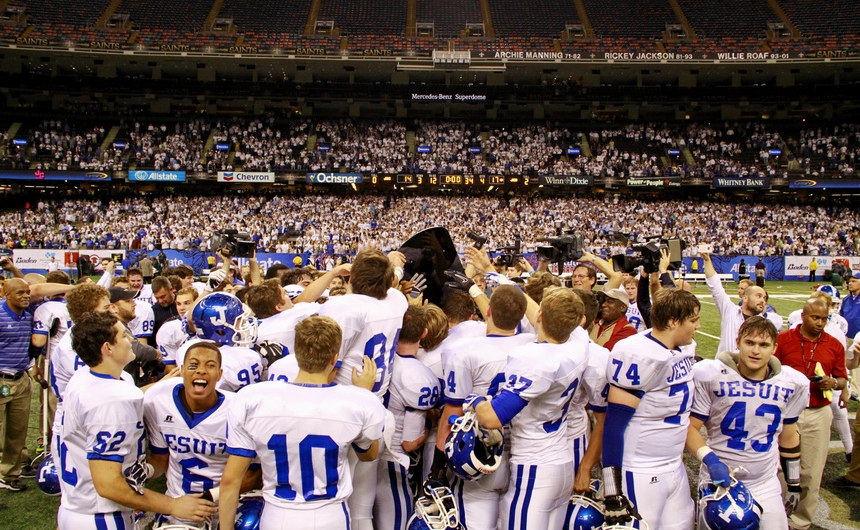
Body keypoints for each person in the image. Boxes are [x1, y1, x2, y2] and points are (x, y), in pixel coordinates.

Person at [218, 315, 385, 530]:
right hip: (330, 516)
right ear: (334, 358)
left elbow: (231, 481)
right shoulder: (359, 402)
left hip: (278, 516)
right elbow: (369, 455)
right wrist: (363, 393)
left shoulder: (253, 399)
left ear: (297, 354)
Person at [57, 311, 216, 529]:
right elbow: (109, 485)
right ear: (108, 348)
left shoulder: (88, 376)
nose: (130, 339)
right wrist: (172, 506)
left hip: (75, 505)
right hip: (100, 515)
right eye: (123, 336)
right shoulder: (111, 402)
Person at [471, 287, 589, 530]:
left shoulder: (535, 358)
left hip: (534, 467)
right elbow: (551, 316)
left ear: (540, 317)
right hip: (562, 463)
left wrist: (474, 402)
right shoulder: (579, 341)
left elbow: (492, 418)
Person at [688, 317, 809, 529]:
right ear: (738, 342)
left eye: (763, 345)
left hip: (765, 482)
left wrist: (794, 481)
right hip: (719, 481)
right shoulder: (712, 375)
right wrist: (712, 462)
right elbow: (689, 428)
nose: (756, 351)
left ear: (774, 348)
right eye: (750, 343)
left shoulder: (792, 383)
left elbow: (788, 435)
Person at [318, 248, 408, 530]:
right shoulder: (397, 300)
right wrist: (393, 264)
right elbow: (393, 282)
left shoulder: (342, 308)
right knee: (361, 508)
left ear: (352, 278)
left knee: (333, 503)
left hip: (343, 411)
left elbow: (324, 367)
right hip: (377, 411)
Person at [601, 288, 701, 529]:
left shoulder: (684, 348)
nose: (697, 327)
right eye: (693, 320)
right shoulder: (637, 354)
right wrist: (613, 490)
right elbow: (613, 426)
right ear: (672, 321)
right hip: (641, 470)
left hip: (674, 466)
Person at [439, 285, 534, 530]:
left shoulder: (464, 350)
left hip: (479, 453)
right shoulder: (532, 344)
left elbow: (453, 409)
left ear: (488, 312)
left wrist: (437, 468)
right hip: (523, 450)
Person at [143, 341, 260, 527]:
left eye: (210, 365)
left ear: (220, 374)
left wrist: (209, 497)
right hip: (179, 508)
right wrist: (145, 471)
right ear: (182, 370)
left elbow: (255, 475)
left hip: (225, 506)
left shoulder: (237, 409)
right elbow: (160, 460)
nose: (201, 371)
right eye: (193, 364)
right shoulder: (158, 400)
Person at [775, 297, 849, 530]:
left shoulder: (834, 344)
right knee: (778, 469)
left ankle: (800, 522)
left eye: (824, 319)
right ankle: (776, 516)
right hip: (785, 413)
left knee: (811, 472)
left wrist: (833, 383)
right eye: (815, 318)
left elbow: (842, 378)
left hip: (818, 412)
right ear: (803, 316)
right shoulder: (783, 340)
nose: (819, 323)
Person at [375, 306, 441, 530]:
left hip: (365, 454)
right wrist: (431, 424)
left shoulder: (377, 359)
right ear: (424, 333)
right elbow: (409, 443)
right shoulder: (417, 375)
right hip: (392, 460)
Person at [702, 251, 782, 354]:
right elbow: (715, 286)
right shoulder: (730, 311)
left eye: (764, 298)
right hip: (724, 368)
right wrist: (707, 260)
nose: (762, 300)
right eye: (758, 296)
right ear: (745, 298)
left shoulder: (765, 323)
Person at [0, 278, 33, 492]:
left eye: (27, 292)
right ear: (7, 294)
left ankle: (9, 474)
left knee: (17, 430)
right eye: (20, 293)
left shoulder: (29, 316)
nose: (25, 296)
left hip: (21, 379)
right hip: (1, 378)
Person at [150, 275, 178, 341]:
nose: (160, 301)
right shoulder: (153, 311)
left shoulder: (183, 303)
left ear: (171, 290)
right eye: (157, 298)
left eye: (163, 297)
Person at [840, 271, 860, 339]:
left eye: (854, 281)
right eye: (849, 282)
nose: (850, 284)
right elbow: (841, 317)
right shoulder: (846, 299)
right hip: (846, 337)